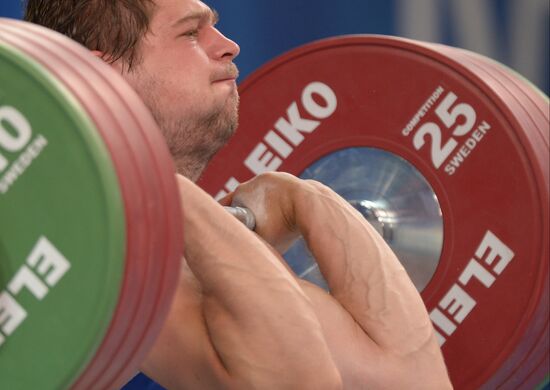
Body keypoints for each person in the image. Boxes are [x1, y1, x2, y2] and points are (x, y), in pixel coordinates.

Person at [24, 0, 453, 389]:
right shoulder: (93, 252)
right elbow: (295, 381)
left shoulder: (186, 258)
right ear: (101, 76)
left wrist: (305, 199)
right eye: (191, 33)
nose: (229, 46)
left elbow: (414, 379)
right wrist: (137, 172)